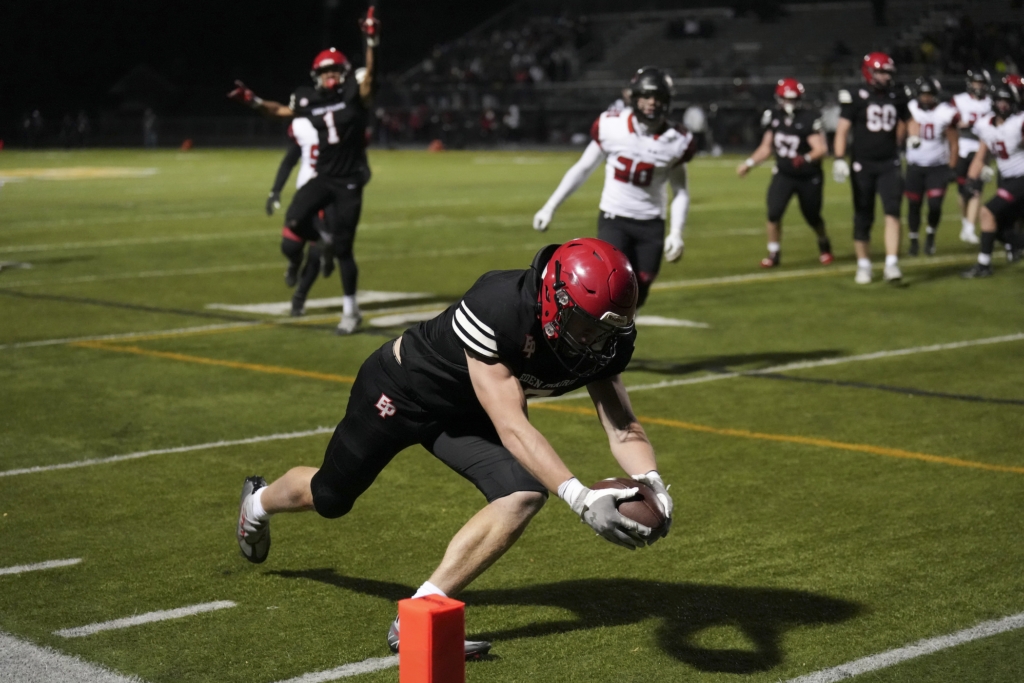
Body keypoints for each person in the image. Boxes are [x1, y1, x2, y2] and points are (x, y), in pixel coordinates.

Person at [235, 238, 674, 656]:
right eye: (585, 325)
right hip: (401, 391)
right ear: (553, 298)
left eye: (606, 329)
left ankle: (419, 616)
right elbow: (512, 426)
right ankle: (258, 503)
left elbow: (620, 424)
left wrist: (651, 481)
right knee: (330, 497)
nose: (595, 341)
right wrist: (580, 498)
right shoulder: (499, 305)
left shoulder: (604, 339)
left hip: (464, 414)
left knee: (521, 495)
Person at [228, 7, 378, 334]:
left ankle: (351, 311)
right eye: (326, 72)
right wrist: (252, 100)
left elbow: (368, 81)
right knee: (295, 218)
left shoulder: (354, 92)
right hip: (323, 176)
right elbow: (280, 110)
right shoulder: (309, 99)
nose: (331, 77)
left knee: (345, 249)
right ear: (316, 76)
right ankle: (321, 242)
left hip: (349, 180)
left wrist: (371, 41)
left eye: (336, 71)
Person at [533, 67, 696, 308]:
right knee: (613, 285)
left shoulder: (676, 140)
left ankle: (624, 336)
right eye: (646, 96)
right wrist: (550, 206)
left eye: (658, 97)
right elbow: (583, 168)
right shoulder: (612, 125)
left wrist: (676, 231)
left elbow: (680, 190)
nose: (652, 103)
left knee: (640, 291)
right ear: (635, 96)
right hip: (614, 217)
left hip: (651, 222)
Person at [736, 78, 833, 268]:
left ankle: (824, 243)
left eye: (793, 99)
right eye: (786, 99)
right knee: (774, 212)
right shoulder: (774, 116)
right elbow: (766, 147)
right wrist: (749, 163)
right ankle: (774, 252)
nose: (790, 103)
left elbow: (821, 149)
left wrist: (804, 159)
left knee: (812, 215)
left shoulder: (808, 117)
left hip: (808, 176)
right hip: (784, 173)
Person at [832, 52, 910, 284]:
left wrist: (910, 138)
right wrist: (838, 157)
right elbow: (842, 130)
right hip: (862, 164)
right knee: (863, 216)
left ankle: (892, 264)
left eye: (888, 72)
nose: (886, 77)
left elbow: (908, 120)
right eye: (881, 72)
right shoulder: (856, 96)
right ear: (869, 72)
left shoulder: (897, 94)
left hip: (889, 162)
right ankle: (864, 265)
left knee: (893, 212)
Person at [266, 116, 338, 317]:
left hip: (328, 198)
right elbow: (290, 159)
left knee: (316, 254)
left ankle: (299, 298)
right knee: (289, 246)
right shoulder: (304, 126)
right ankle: (294, 262)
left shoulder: (339, 128)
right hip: (305, 198)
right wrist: (276, 190)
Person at [961, 76, 1024, 278]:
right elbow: (981, 156)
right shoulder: (985, 125)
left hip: (1021, 178)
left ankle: (983, 264)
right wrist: (971, 180)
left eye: (1007, 101)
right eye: (1000, 101)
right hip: (1007, 178)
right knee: (998, 227)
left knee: (987, 212)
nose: (1003, 105)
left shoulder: (1019, 122)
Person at [904, 76, 959, 256]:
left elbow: (953, 142)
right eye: (923, 94)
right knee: (914, 205)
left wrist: (952, 167)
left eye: (929, 94)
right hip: (915, 166)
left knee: (935, 205)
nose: (926, 98)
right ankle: (913, 239)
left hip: (937, 166)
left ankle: (930, 235)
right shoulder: (910, 108)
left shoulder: (945, 112)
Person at [951, 69, 994, 244]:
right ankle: (965, 222)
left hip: (981, 148)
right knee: (963, 192)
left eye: (981, 83)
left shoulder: (991, 103)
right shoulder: (959, 100)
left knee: (975, 189)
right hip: (962, 147)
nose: (979, 86)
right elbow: (951, 122)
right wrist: (964, 124)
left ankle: (969, 228)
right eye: (976, 83)